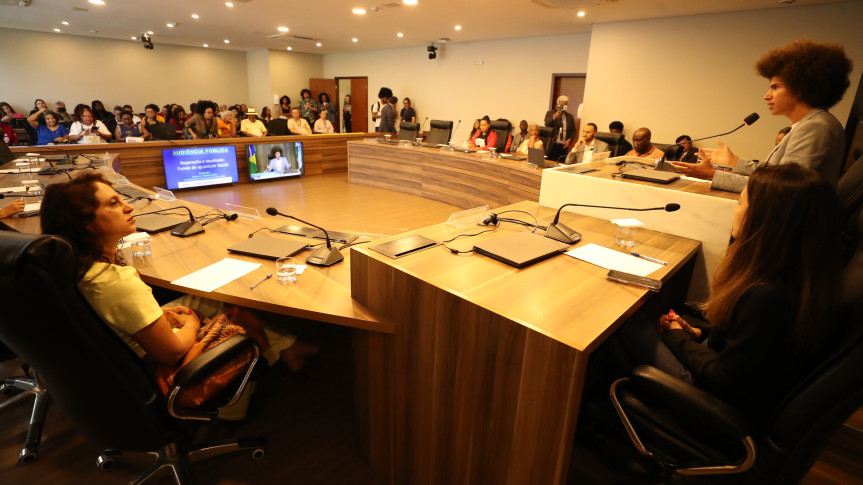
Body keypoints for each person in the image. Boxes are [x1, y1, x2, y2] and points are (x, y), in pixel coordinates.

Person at [611, 163, 843, 432]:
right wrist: (698, 333)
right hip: (739, 389)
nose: (735, 209)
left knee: (622, 318)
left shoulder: (766, 296)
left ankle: (606, 412)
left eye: (741, 203)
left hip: (711, 404)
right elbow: (750, 344)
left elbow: (723, 379)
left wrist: (676, 336)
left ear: (766, 220)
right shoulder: (798, 280)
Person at [39, 172, 318, 373]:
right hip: (155, 368)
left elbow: (122, 315)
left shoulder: (72, 264)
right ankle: (237, 401)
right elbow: (171, 352)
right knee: (221, 303)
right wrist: (191, 324)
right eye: (113, 204)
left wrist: (162, 314)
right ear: (86, 223)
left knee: (208, 296)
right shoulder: (114, 282)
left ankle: (286, 349)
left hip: (119, 355)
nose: (129, 206)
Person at [671, 40, 852, 193]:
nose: (766, 95)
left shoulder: (815, 127)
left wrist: (712, 175)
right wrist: (734, 161)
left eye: (775, 87)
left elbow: (782, 187)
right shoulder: (810, 123)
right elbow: (773, 173)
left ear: (801, 88)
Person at [544, 95, 577, 161]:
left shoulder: (570, 117)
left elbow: (574, 130)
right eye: (561, 105)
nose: (562, 107)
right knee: (549, 162)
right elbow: (547, 124)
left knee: (561, 162)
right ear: (557, 104)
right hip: (552, 144)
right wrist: (554, 116)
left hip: (563, 145)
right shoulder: (550, 113)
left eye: (564, 105)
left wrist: (569, 140)